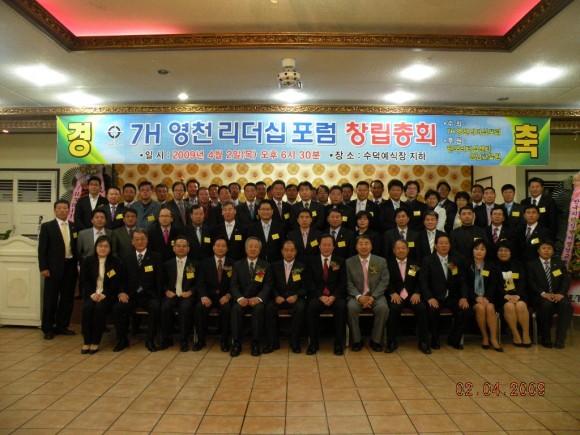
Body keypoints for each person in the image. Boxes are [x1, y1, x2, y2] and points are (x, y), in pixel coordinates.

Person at [112, 229, 163, 352]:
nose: (140, 242)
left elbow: (160, 279)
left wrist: (159, 296)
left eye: (142, 239)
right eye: (136, 239)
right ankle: (122, 340)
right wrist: (121, 292)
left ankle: (149, 340)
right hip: (132, 296)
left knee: (155, 307)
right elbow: (122, 279)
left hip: (150, 296)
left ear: (147, 240)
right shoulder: (126, 258)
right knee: (117, 308)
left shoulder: (156, 257)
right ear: (132, 242)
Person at [420, 234, 471, 350]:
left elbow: (462, 281)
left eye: (446, 243)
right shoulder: (428, 260)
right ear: (436, 246)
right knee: (432, 310)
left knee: (465, 311)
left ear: (450, 245)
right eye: (441, 243)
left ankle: (454, 338)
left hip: (452, 297)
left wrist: (464, 297)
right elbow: (423, 282)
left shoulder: (455, 261)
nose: (444, 245)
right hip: (435, 297)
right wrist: (429, 297)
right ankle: (435, 338)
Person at [38, 199, 78, 340]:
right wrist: (43, 267)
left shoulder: (74, 226)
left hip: (70, 267)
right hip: (53, 268)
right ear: (55, 210)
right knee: (50, 299)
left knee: (67, 298)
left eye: (65, 208)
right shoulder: (47, 226)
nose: (62, 210)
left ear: (69, 210)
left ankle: (62, 325)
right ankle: (48, 328)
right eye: (59, 208)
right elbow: (42, 249)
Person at [79, 235, 124, 354]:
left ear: (110, 248)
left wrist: (104, 294)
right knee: (87, 308)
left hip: (108, 295)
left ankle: (95, 341)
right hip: (92, 294)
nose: (103, 248)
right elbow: (84, 280)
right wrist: (92, 294)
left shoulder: (115, 262)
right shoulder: (88, 261)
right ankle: (86, 341)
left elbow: (116, 282)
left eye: (106, 246)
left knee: (100, 308)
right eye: (100, 246)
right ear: (95, 247)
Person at [230, 237, 273, 357]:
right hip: (242, 299)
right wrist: (240, 298)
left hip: (257, 300)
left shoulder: (265, 266)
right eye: (250, 246)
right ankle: (236, 343)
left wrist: (258, 298)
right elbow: (233, 285)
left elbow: (268, 286)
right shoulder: (237, 265)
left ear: (260, 250)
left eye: (256, 247)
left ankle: (255, 342)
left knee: (259, 309)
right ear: (246, 249)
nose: (253, 249)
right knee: (236, 309)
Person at [346, 235, 390, 352]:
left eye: (366, 244)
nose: (364, 246)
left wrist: (373, 297)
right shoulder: (349, 262)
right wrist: (359, 297)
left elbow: (384, 281)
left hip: (376, 296)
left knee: (383, 308)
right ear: (356, 247)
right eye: (360, 244)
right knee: (351, 308)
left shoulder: (381, 261)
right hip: (356, 296)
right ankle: (357, 340)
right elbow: (348, 283)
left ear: (371, 246)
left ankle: (375, 340)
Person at [305, 234, 347, 356]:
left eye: (329, 245)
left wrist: (333, 296)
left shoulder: (340, 261)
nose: (327, 247)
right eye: (324, 245)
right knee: (311, 308)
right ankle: (313, 343)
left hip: (335, 296)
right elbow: (309, 282)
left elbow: (343, 282)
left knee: (341, 307)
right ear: (319, 246)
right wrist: (320, 296)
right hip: (318, 296)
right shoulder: (311, 261)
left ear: (333, 247)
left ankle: (338, 343)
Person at [386, 239, 430, 354]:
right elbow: (386, 281)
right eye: (398, 248)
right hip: (396, 296)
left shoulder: (414, 264)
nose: (401, 250)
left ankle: (423, 342)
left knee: (422, 308)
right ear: (394, 250)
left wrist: (417, 292)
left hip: (412, 296)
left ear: (408, 250)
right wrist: (392, 292)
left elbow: (420, 281)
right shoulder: (388, 264)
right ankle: (391, 342)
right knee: (393, 310)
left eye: (403, 248)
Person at [526, 240, 572, 348]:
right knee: (546, 305)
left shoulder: (559, 263)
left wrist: (561, 294)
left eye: (549, 248)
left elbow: (565, 280)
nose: (546, 250)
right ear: (538, 250)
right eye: (544, 248)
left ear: (553, 251)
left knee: (566, 305)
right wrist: (543, 293)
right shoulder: (531, 265)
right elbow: (531, 283)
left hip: (558, 295)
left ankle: (560, 338)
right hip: (540, 296)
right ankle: (546, 337)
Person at [265, 240, 307, 353]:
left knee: (301, 308)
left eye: (292, 250)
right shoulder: (274, 266)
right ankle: (272, 343)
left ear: (296, 252)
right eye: (286, 250)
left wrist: (296, 296)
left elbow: (305, 287)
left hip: (295, 299)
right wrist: (276, 296)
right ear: (282, 252)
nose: (289, 253)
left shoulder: (301, 266)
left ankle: (295, 343)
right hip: (278, 298)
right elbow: (270, 284)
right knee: (268, 308)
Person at [195, 237, 234, 352]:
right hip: (209, 296)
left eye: (223, 246)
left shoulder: (233, 263)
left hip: (225, 297)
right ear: (213, 248)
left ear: (227, 248)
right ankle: (200, 340)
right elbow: (200, 282)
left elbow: (235, 283)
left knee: (227, 309)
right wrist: (203, 296)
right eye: (218, 245)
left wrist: (228, 295)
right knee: (199, 308)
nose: (220, 248)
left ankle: (224, 341)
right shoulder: (204, 263)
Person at [159, 236, 197, 352]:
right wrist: (166, 291)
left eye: (184, 246)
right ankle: (167, 338)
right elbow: (162, 282)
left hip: (187, 295)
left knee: (185, 308)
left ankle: (183, 339)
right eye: (178, 246)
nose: (181, 248)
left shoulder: (195, 264)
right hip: (172, 294)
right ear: (173, 248)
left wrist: (191, 292)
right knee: (165, 307)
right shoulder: (167, 264)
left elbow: (199, 283)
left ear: (188, 249)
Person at [465, 239, 503, 352]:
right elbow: (464, 284)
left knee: (490, 307)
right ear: (472, 250)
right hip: (472, 297)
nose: (479, 251)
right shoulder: (466, 264)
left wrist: (487, 297)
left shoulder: (491, 265)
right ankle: (485, 336)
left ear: (486, 251)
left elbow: (493, 284)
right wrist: (476, 297)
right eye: (476, 249)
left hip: (487, 297)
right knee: (480, 308)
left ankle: (493, 338)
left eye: (482, 249)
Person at [496, 240, 531, 347]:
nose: (503, 253)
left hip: (518, 295)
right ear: (497, 252)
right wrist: (505, 295)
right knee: (509, 306)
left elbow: (523, 281)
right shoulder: (493, 265)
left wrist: (518, 294)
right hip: (501, 296)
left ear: (511, 252)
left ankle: (525, 334)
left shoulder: (518, 265)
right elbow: (494, 284)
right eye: (500, 250)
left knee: (521, 305)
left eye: (506, 250)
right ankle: (515, 334)